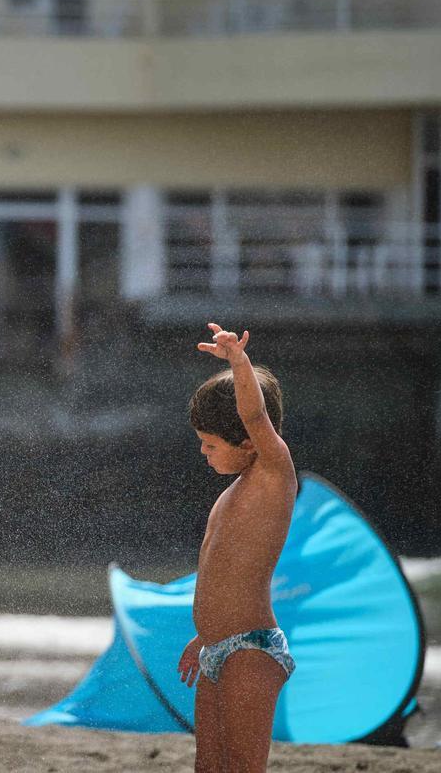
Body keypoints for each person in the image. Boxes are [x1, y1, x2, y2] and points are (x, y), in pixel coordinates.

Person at [176, 323, 298, 772]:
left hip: (252, 649)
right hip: (216, 648)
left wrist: (238, 362)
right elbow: (224, 576)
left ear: (248, 443)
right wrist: (204, 634)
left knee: (245, 767)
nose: (204, 453)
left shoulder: (273, 473)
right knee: (208, 766)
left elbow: (254, 417)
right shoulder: (232, 492)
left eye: (211, 444)